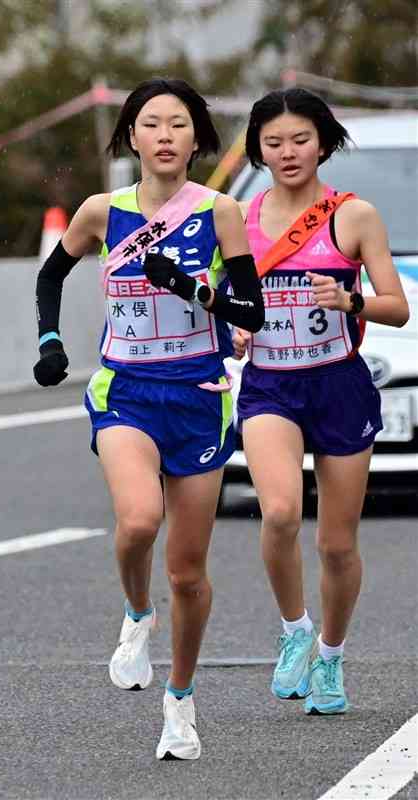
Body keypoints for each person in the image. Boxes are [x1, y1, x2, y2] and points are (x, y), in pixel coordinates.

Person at [33, 77, 264, 759]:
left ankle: (181, 702)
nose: (165, 136)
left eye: (179, 125)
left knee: (188, 570)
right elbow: (52, 275)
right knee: (137, 521)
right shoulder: (103, 211)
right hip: (126, 391)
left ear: (198, 139)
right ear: (130, 135)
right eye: (151, 124)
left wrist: (190, 288)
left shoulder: (222, 211)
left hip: (197, 395)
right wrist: (50, 341)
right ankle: (137, 615)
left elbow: (249, 312)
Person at [235, 87, 409, 715]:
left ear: (323, 142)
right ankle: (294, 632)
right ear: (257, 147)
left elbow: (398, 305)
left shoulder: (353, 216)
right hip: (269, 386)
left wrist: (349, 301)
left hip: (338, 385)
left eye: (300, 140)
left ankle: (331, 657)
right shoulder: (240, 219)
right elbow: (223, 301)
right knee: (279, 512)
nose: (287, 152)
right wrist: (236, 327)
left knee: (337, 544)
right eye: (274, 142)